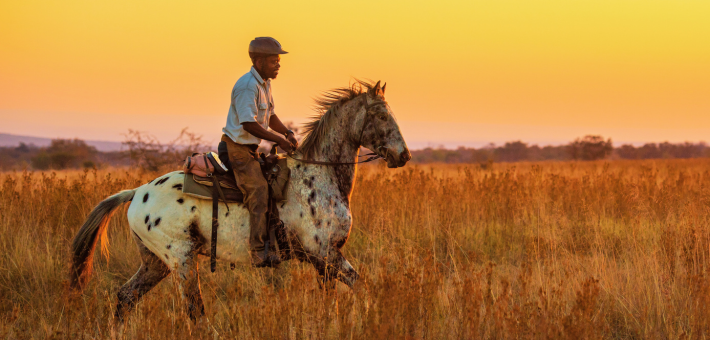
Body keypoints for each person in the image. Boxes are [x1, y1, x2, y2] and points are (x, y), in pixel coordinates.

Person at [221, 37, 298, 267]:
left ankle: (275, 242)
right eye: (274, 60)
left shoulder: (264, 84)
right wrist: (278, 140)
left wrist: (287, 132)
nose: (278, 64)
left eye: (278, 60)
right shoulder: (247, 86)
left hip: (250, 150)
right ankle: (257, 252)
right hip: (237, 150)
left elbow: (270, 116)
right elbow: (249, 124)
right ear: (258, 60)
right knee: (259, 190)